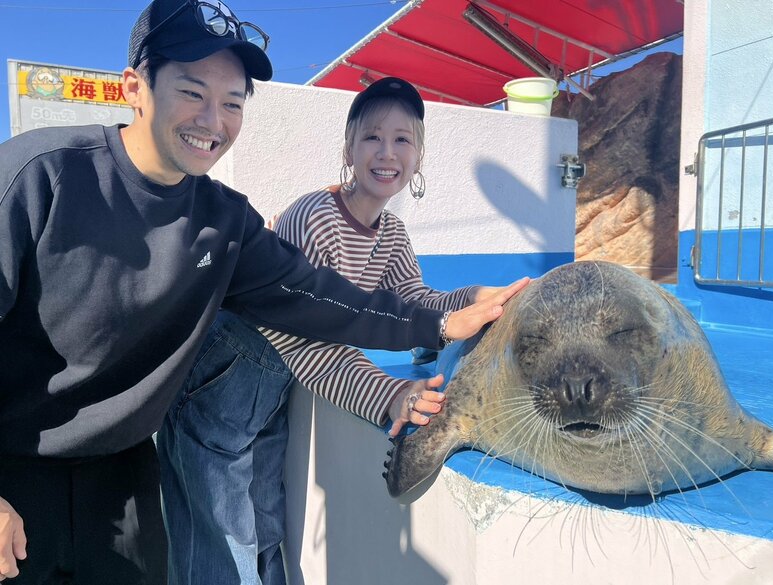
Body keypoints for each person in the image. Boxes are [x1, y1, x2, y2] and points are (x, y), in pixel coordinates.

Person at [0, 1, 528, 583]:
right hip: (16, 468)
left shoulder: (225, 223)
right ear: (136, 88)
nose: (213, 120)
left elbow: (324, 300)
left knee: (243, 538)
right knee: (225, 544)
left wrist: (452, 315)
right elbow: (308, 335)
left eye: (232, 102)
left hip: (121, 473)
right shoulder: (40, 176)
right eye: (193, 92)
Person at [158, 76, 531, 585]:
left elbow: (413, 304)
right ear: (349, 149)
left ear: (418, 158)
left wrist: (475, 298)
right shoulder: (314, 218)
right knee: (221, 539)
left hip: (275, 384)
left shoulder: (393, 233)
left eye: (403, 139)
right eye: (372, 137)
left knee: (267, 522)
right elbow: (304, 337)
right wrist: (388, 393)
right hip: (228, 374)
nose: (387, 151)